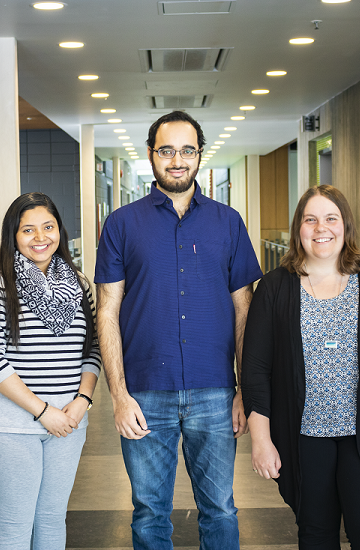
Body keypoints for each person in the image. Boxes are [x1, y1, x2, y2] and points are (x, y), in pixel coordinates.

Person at [95, 110, 263, 550]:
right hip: (145, 393)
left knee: (221, 508)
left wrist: (245, 390)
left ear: (200, 155)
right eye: (166, 150)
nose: (177, 160)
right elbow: (107, 311)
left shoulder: (228, 223)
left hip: (215, 392)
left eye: (187, 150)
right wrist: (118, 395)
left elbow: (245, 312)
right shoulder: (121, 224)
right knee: (150, 513)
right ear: (151, 155)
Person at [242, 185, 360, 549]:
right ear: (299, 229)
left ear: (345, 226)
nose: (320, 228)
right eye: (310, 219)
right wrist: (260, 441)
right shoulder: (275, 288)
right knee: (316, 536)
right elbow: (256, 369)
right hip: (303, 438)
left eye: (330, 218)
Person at [0, 192, 101, 550]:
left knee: (53, 518)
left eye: (48, 227)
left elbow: (93, 349)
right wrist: (42, 411)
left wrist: (82, 400)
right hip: (11, 424)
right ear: (12, 234)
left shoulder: (79, 283)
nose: (40, 238)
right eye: (28, 230)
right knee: (15, 523)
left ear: (60, 231)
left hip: (69, 422)